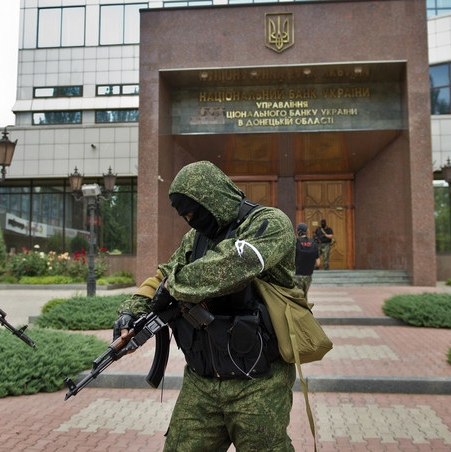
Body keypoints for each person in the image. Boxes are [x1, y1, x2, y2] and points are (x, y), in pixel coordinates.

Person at [114, 161, 297, 451]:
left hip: (260, 383)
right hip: (201, 383)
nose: (190, 220)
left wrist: (172, 287)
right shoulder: (195, 238)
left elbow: (234, 264)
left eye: (194, 211)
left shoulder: (269, 224)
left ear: (213, 196)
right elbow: (163, 275)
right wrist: (131, 312)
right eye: (184, 214)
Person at [294, 222, 319, 298]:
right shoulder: (313, 243)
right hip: (308, 275)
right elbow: (318, 263)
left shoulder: (295, 243)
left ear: (297, 231)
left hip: (296, 275)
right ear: (307, 230)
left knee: (297, 297)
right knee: (304, 296)